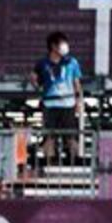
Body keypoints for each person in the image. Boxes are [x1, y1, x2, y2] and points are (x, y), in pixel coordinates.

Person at [30, 31, 83, 168]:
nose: (65, 47)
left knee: (71, 135)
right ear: (53, 46)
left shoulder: (72, 62)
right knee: (49, 136)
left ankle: (75, 161)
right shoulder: (42, 63)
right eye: (62, 44)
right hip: (50, 103)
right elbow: (35, 79)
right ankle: (50, 162)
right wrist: (35, 82)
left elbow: (76, 83)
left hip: (68, 103)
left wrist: (79, 101)